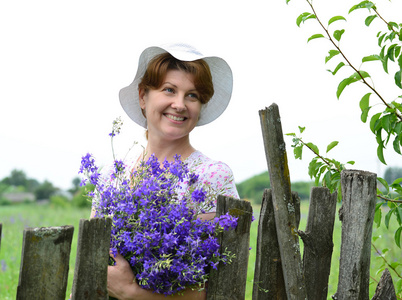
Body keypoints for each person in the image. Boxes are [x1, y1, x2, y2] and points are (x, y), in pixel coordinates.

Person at [100, 43, 239, 299]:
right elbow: (94, 262)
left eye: (192, 95)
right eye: (169, 90)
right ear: (143, 96)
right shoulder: (113, 175)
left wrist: (133, 294)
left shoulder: (211, 176)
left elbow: (221, 287)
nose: (180, 104)